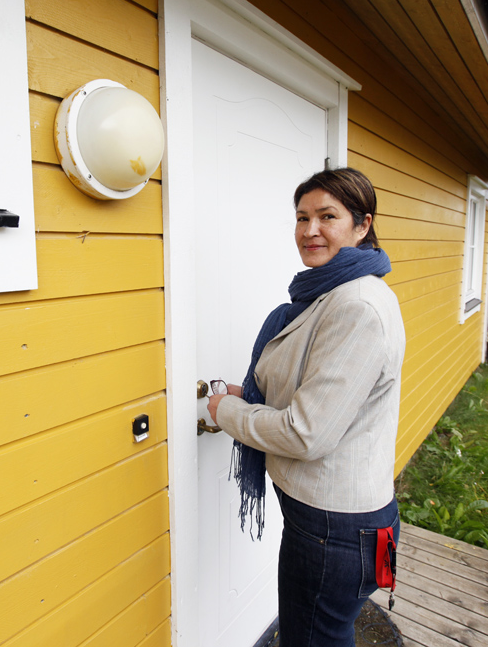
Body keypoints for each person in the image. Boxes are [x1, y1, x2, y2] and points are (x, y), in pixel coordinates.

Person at [206, 167, 405, 647]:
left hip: (334, 527)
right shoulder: (328, 295)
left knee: (311, 639)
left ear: (362, 225)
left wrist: (224, 413)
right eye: (301, 217)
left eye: (327, 216)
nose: (309, 230)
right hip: (330, 522)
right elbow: (321, 392)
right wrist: (247, 395)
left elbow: (306, 433)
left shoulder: (356, 306)